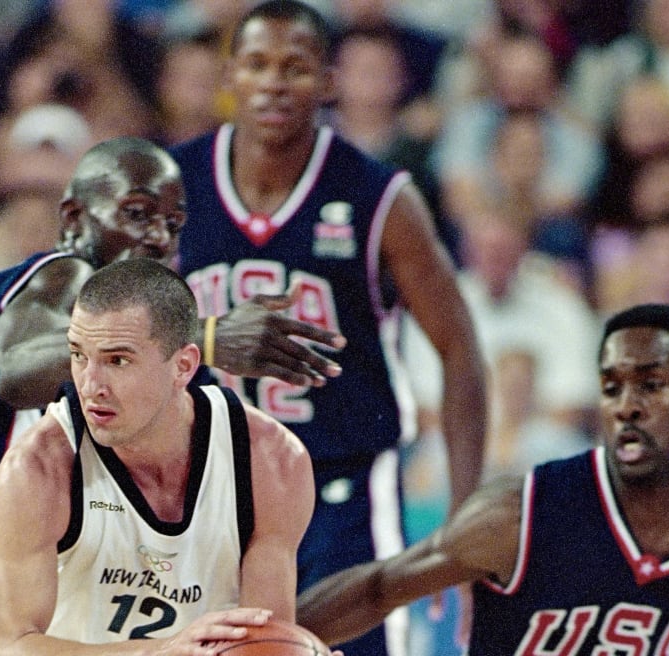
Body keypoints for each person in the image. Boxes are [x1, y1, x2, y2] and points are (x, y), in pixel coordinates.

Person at [0, 136, 347, 656]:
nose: (158, 238)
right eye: (137, 213)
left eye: (173, 224)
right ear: (74, 218)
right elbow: (15, 370)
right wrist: (209, 336)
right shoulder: (64, 275)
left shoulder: (36, 300)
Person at [171, 3, 487, 654]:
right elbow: (126, 323)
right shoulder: (175, 184)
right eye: (257, 64)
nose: (275, 83)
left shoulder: (380, 196)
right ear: (229, 75)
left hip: (339, 483)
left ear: (329, 81)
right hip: (209, 483)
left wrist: (463, 516)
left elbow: (460, 351)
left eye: (295, 66)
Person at [297, 303, 669, 655]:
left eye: (651, 386)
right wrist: (267, 637)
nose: (626, 406)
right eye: (611, 388)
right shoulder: (525, 511)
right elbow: (377, 590)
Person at [0, 257, 315, 654]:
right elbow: (1, 647)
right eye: (79, 355)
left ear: (183, 366)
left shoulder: (271, 461)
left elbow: (259, 639)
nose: (90, 384)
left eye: (117, 360)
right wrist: (160, 651)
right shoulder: (38, 469)